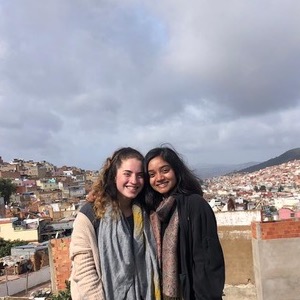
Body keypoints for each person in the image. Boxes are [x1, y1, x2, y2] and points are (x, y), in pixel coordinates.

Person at [69, 147, 161, 300]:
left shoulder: (146, 213)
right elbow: (84, 271)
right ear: (114, 176)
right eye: (127, 174)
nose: (134, 181)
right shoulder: (90, 215)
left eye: (139, 175)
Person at [144, 146, 225, 300]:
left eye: (165, 170)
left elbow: (208, 262)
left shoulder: (195, 205)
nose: (159, 178)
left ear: (176, 170)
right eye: (152, 174)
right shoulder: (154, 211)